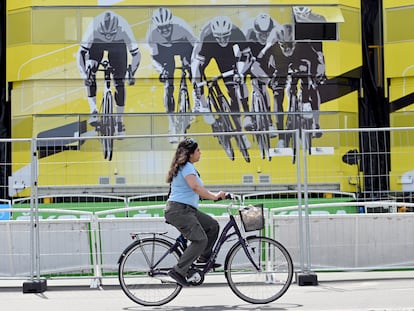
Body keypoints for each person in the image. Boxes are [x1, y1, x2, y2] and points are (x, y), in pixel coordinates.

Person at [165, 138, 226, 286]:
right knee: (200, 240)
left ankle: (203, 259)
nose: (200, 153)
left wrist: (216, 196)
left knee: (212, 226)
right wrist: (214, 197)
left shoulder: (186, 167)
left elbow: (196, 190)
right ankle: (179, 270)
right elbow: (195, 187)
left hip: (186, 210)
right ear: (190, 153)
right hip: (180, 210)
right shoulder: (186, 167)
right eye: (198, 150)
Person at [259, 23, 326, 147]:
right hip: (280, 67)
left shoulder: (304, 44)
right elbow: (262, 63)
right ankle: (281, 136)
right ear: (278, 43)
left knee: (311, 83)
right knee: (277, 95)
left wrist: (319, 74)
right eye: (283, 46)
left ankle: (314, 121)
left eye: (290, 45)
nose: (287, 49)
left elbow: (317, 59)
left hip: (300, 62)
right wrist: (269, 80)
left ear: (295, 42)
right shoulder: (272, 46)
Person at [191, 15, 252, 149]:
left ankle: (244, 121)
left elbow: (247, 56)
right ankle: (203, 105)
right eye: (220, 37)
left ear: (230, 32)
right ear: (214, 34)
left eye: (225, 36)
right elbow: (197, 66)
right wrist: (197, 85)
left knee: (235, 86)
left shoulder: (237, 32)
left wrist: (240, 73)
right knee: (196, 76)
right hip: (208, 50)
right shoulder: (206, 38)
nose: (223, 40)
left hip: (226, 54)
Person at [77, 10, 141, 136]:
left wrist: (131, 72)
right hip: (97, 45)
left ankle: (119, 121)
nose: (108, 36)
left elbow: (136, 54)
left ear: (116, 28)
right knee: (90, 70)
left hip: (117, 46)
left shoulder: (124, 28)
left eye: (110, 33)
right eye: (105, 34)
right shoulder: (93, 28)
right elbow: (81, 53)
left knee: (119, 82)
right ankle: (93, 110)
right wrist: (84, 75)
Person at [147, 7, 197, 143]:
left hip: (183, 45)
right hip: (164, 52)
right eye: (161, 28)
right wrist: (161, 70)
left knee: (192, 71)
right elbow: (154, 59)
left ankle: (196, 98)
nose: (165, 31)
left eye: (167, 27)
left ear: (171, 23)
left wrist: (192, 64)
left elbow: (196, 47)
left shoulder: (181, 27)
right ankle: (172, 124)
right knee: (168, 83)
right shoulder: (152, 35)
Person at [242, 13, 279, 134]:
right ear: (255, 31)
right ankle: (248, 115)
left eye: (267, 34)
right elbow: (241, 57)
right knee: (241, 77)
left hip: (265, 57)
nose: (264, 36)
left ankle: (269, 122)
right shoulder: (248, 33)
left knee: (264, 88)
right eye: (261, 34)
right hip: (251, 57)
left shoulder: (275, 34)